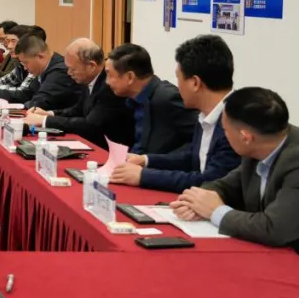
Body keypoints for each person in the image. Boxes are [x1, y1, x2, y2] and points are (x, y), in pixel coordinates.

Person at [171, 88, 299, 278]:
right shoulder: (262, 146)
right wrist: (198, 201)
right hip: (274, 259)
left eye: (225, 130)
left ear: (245, 137)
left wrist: (215, 212)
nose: (225, 136)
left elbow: (273, 229)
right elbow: (225, 186)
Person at [111, 35, 241, 192]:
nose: (177, 86)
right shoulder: (207, 115)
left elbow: (210, 181)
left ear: (195, 83)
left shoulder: (235, 123)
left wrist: (144, 176)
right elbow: (192, 156)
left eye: (179, 79)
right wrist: (146, 160)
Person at [24, 38, 133, 148]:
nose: (68, 73)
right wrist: (49, 114)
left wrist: (44, 120)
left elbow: (90, 125)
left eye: (72, 69)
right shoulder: (87, 79)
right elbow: (77, 110)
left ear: (91, 66)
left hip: (109, 148)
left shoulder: (109, 86)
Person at [105, 43, 196, 156]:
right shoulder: (129, 100)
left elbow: (198, 143)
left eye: (110, 75)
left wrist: (150, 160)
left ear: (130, 77)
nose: (107, 82)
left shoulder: (168, 98)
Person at [0, 33, 79, 110]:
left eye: (26, 63)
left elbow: (39, 102)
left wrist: (9, 108)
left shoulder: (59, 71)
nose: (25, 68)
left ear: (40, 57)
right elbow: (26, 94)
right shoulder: (44, 67)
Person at [0, 25, 45, 96]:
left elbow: (22, 93)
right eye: (8, 41)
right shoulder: (19, 62)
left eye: (13, 41)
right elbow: (6, 81)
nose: (9, 46)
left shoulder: (36, 62)